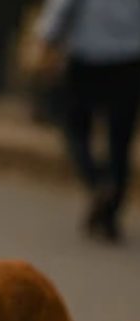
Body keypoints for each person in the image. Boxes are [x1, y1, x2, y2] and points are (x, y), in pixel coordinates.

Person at [38, 0, 140, 243]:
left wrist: (47, 41)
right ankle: (110, 212)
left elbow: (62, 8)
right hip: (130, 63)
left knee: (75, 129)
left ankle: (96, 181)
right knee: (120, 140)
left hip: (86, 60)